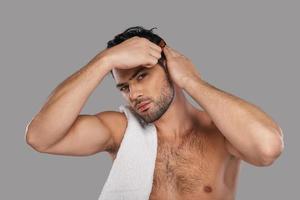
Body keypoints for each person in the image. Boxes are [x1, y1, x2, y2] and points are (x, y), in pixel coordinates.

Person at [25, 26, 284, 199]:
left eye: (142, 76)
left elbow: (268, 147)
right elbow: (40, 137)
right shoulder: (121, 131)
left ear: (170, 67)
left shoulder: (220, 131)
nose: (134, 94)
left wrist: (192, 82)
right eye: (124, 87)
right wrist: (105, 60)